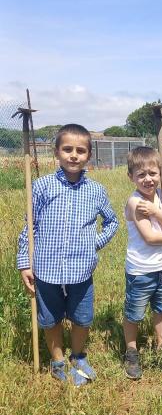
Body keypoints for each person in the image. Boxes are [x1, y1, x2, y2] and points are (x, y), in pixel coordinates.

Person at [17, 124, 119, 386]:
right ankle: (58, 360)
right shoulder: (41, 186)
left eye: (81, 150)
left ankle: (79, 356)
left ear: (89, 155)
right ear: (57, 153)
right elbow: (29, 227)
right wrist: (24, 263)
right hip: (46, 268)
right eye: (68, 149)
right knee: (50, 317)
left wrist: (92, 243)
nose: (74, 155)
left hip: (81, 268)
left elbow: (112, 222)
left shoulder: (96, 191)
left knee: (82, 316)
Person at [123, 146, 162, 379]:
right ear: (131, 177)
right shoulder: (135, 202)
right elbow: (150, 238)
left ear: (160, 173)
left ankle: (161, 347)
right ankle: (131, 351)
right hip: (140, 270)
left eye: (152, 173)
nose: (148, 179)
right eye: (141, 175)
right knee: (134, 313)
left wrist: (156, 211)